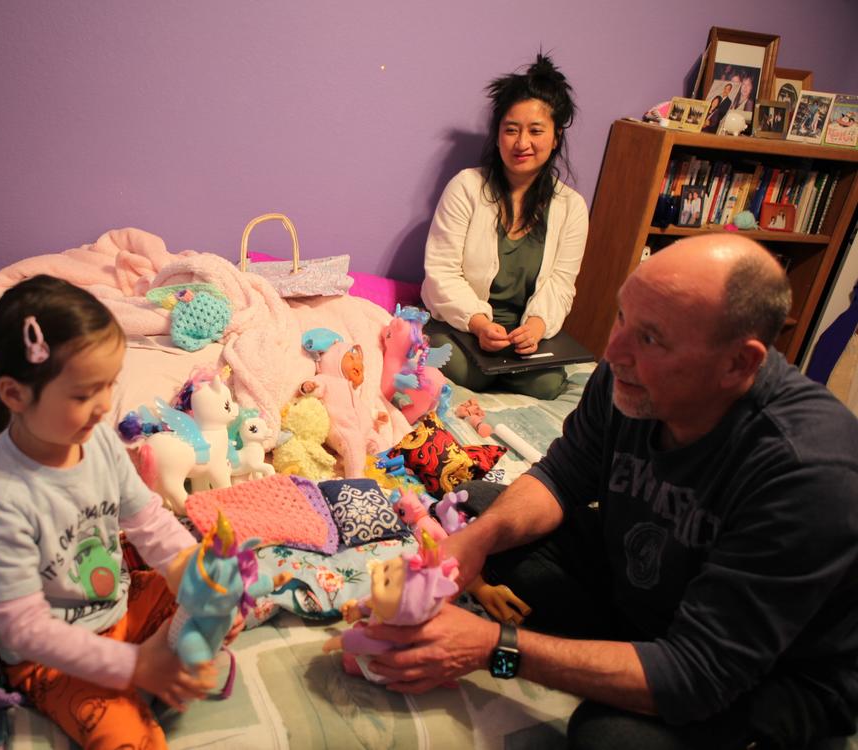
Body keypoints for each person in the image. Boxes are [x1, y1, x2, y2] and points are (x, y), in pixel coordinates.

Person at [361, 234, 858, 749]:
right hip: (648, 598)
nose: (613, 352)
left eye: (651, 339)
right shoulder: (626, 379)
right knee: (483, 513)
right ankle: (625, 659)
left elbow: (700, 672)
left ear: (739, 362)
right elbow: (560, 477)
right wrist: (479, 541)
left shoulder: (809, 471)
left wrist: (493, 648)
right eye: (623, 316)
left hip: (759, 674)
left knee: (609, 737)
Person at [0, 275, 226, 749]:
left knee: (223, 590)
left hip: (120, 605)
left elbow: (147, 520)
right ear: (14, 395)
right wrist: (135, 665)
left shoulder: (98, 438)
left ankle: (166, 664)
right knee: (127, 740)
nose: (104, 406)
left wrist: (188, 567)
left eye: (108, 386)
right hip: (55, 657)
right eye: (84, 395)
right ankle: (148, 680)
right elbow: (26, 629)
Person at [420, 53, 589, 400]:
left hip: (522, 339)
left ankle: (509, 369)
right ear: (497, 136)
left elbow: (561, 285)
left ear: (556, 137)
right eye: (511, 130)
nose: (522, 142)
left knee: (549, 384)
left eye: (536, 131)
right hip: (464, 327)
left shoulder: (571, 207)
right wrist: (480, 324)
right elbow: (441, 272)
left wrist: (537, 326)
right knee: (458, 368)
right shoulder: (466, 187)